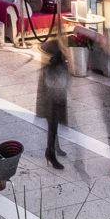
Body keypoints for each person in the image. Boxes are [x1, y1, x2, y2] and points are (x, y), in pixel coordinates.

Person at [37, 21, 70, 170]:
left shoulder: (55, 46)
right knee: (53, 125)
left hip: (56, 93)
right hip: (52, 95)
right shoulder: (54, 48)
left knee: (55, 124)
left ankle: (55, 148)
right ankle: (50, 153)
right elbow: (51, 72)